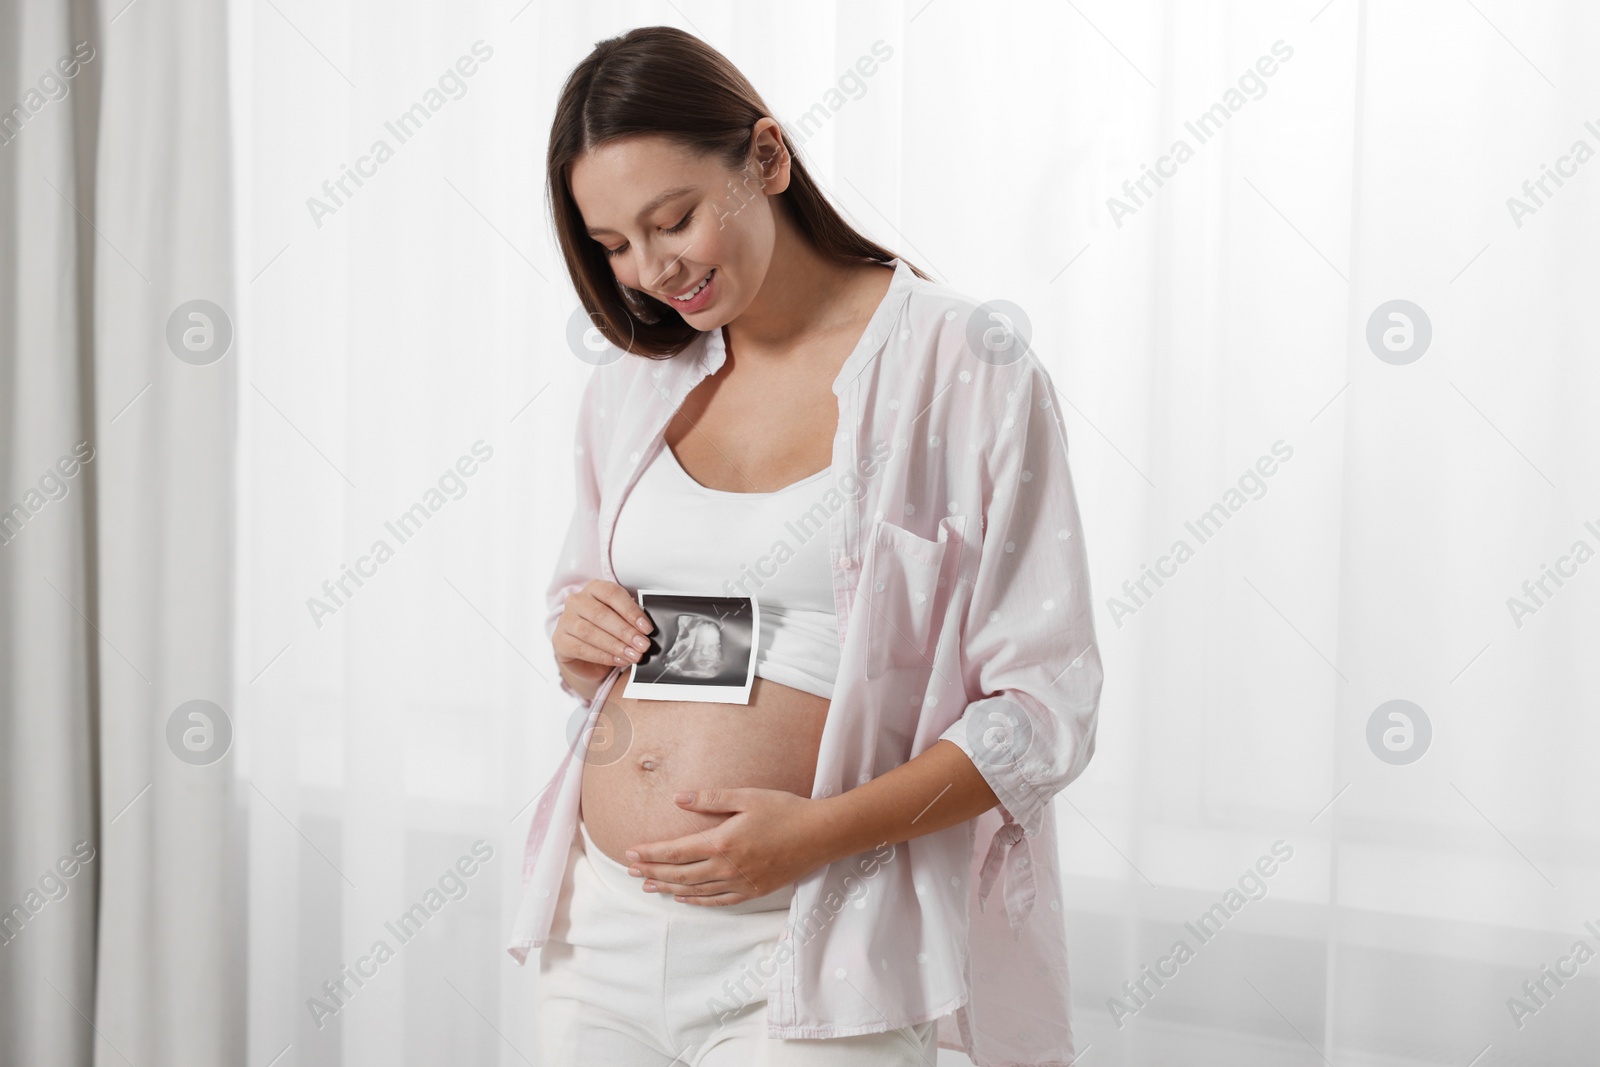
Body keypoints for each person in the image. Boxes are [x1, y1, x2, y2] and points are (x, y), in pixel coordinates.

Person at [509, 24, 1103, 1067]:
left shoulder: (963, 366)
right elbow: (584, 614)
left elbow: (1040, 712)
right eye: (612, 246)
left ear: (767, 159)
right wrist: (574, 636)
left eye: (673, 219)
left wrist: (817, 833)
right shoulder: (634, 382)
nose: (651, 271)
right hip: (599, 928)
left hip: (819, 934)